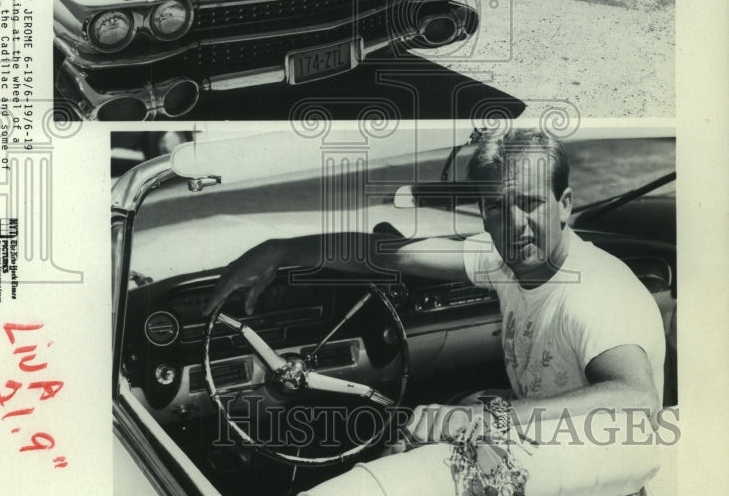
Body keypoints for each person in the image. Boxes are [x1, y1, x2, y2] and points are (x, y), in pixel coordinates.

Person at [207, 128, 666, 443]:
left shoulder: (593, 293)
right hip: (541, 446)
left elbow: (636, 398)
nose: (515, 227)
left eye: (530, 204)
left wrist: (485, 417)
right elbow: (386, 253)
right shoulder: (505, 261)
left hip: (588, 474)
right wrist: (282, 250)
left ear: (565, 205)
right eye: (496, 209)